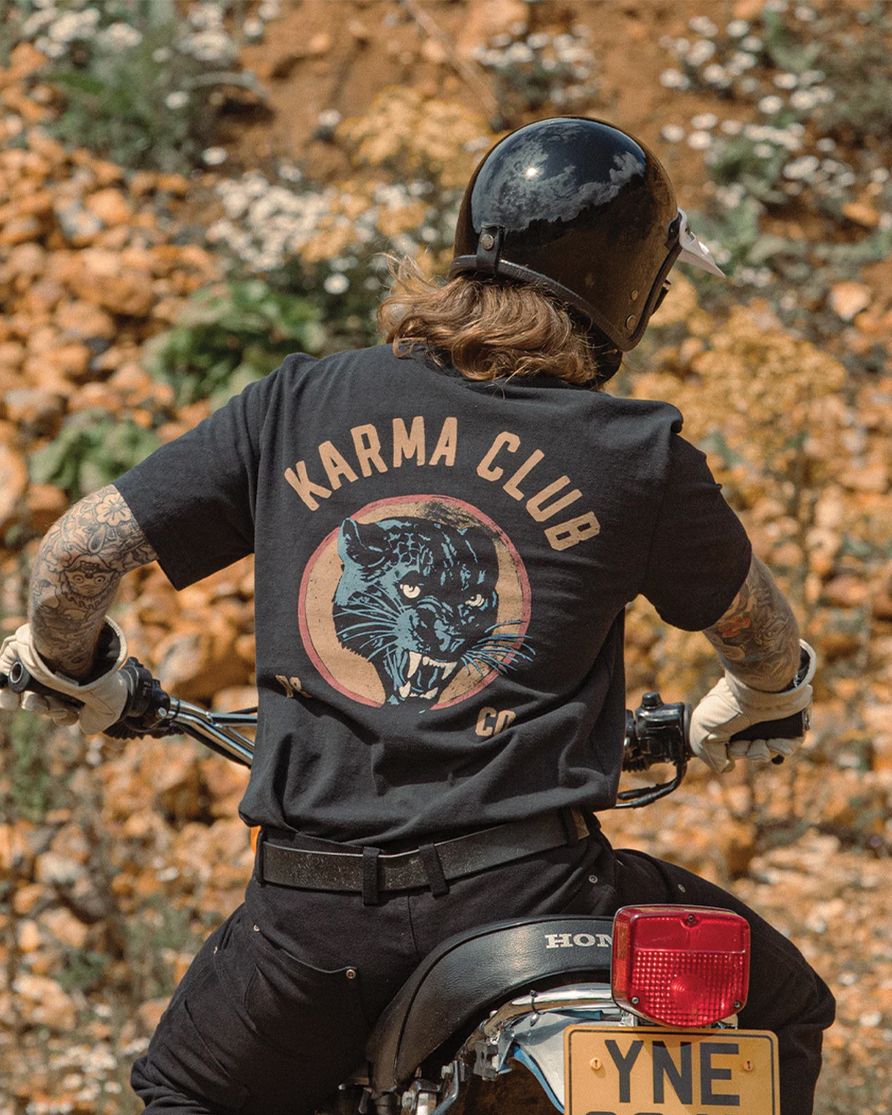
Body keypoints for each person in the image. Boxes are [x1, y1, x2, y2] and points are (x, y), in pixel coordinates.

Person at [1, 117, 834, 1115]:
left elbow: (77, 555)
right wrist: (760, 699)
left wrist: (71, 667)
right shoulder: (635, 450)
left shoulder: (298, 402)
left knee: (183, 1088)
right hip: (533, 899)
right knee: (781, 1003)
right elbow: (759, 635)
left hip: (312, 927)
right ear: (631, 289)